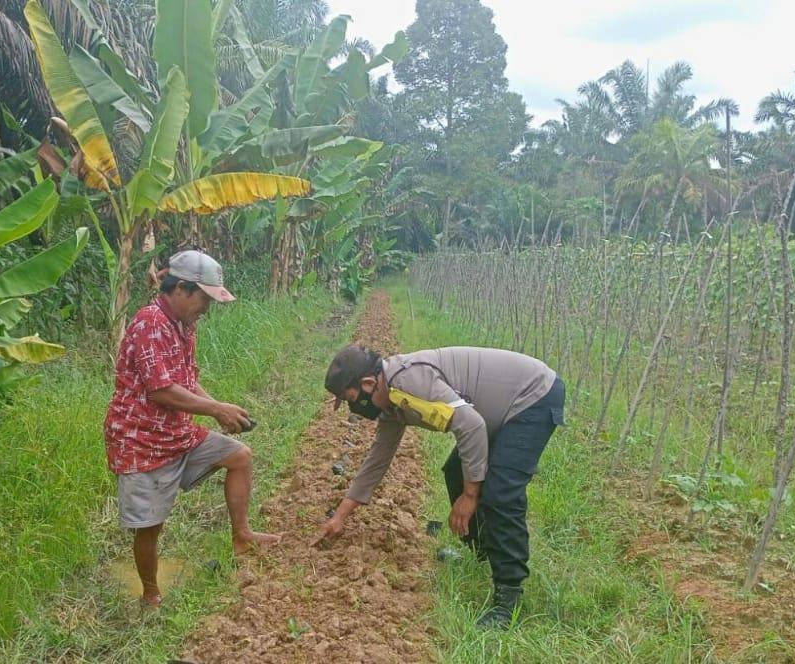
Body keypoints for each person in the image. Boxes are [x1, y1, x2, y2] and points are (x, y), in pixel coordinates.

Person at [313, 345, 565, 628]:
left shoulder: (407, 384)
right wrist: (340, 517)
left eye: (352, 399)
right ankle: (485, 554)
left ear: (369, 384)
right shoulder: (391, 401)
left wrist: (471, 496)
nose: (355, 409)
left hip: (532, 396)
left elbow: (470, 426)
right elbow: (377, 459)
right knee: (457, 473)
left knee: (499, 493)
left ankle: (508, 600)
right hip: (498, 410)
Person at [104, 250, 279, 608]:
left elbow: (187, 380)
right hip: (143, 441)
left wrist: (217, 409)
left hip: (178, 433)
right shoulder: (150, 323)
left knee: (240, 457)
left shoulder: (185, 325)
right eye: (204, 299)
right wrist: (216, 408)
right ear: (181, 289)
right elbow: (161, 390)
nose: (207, 308)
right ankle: (150, 594)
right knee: (150, 526)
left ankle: (242, 536)